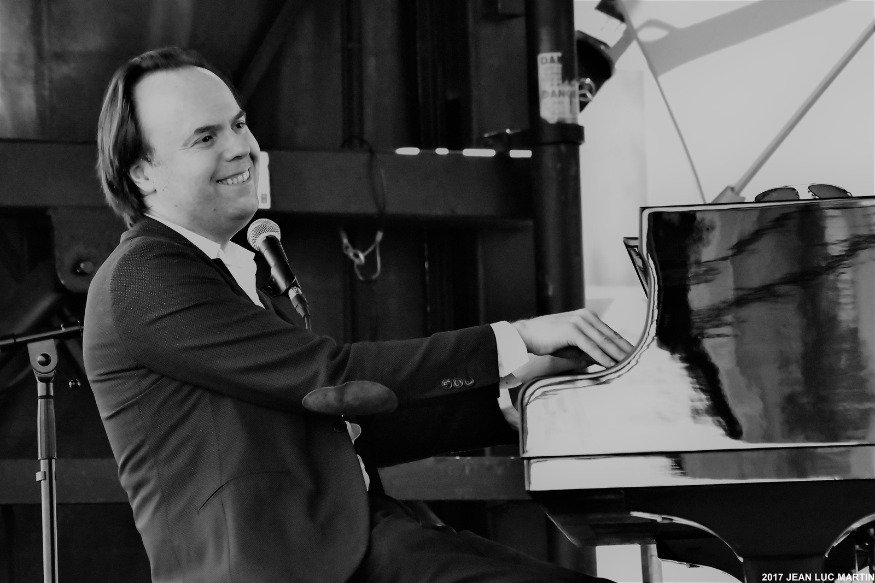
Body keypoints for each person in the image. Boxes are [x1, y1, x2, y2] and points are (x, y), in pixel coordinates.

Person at [83, 46, 632, 583]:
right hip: (290, 565)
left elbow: (339, 427)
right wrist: (516, 339)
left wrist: (513, 399)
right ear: (143, 173)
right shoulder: (144, 274)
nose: (241, 148)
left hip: (356, 541)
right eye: (205, 138)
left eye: (240, 125)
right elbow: (334, 377)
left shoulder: (227, 268)